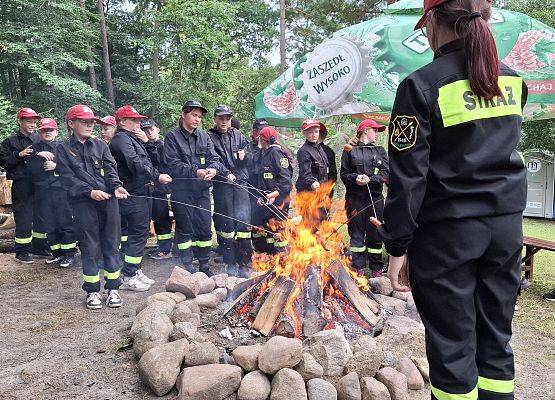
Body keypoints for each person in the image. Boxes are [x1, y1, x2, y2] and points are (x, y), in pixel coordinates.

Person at [373, 0, 529, 398]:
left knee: (452, 349)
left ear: (437, 25)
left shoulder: (420, 86)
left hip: (448, 238)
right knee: (495, 342)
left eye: (426, 27)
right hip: (506, 232)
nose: (425, 34)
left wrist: (397, 246)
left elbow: (408, 179)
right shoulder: (513, 82)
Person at [56, 105, 130, 309]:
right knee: (89, 247)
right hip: (83, 205)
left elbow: (110, 168)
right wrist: (89, 192)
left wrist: (116, 186)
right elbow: (67, 179)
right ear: (71, 124)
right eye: (84, 122)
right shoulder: (63, 149)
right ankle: (92, 291)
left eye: (91, 122)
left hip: (109, 203)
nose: (90, 125)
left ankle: (113, 289)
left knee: (112, 244)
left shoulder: (100, 145)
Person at [109, 106, 172, 291]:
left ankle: (134, 269)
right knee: (137, 235)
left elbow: (151, 160)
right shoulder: (121, 140)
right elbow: (136, 164)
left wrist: (147, 143)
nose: (138, 123)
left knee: (141, 234)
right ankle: (128, 275)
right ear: (122, 122)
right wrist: (157, 176)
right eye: (133, 120)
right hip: (133, 195)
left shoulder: (133, 139)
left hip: (143, 192)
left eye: (138, 120)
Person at [164, 100, 225, 275]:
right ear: (184, 114)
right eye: (194, 115)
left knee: (204, 228)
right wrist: (195, 171)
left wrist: (214, 169)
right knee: (185, 229)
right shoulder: (172, 137)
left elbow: (214, 158)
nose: (197, 119)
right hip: (181, 191)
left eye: (199, 116)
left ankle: (204, 264)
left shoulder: (204, 137)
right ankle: (187, 264)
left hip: (202, 191)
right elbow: (172, 165)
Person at [340, 119, 388, 278]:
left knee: (375, 234)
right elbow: (344, 174)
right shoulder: (349, 150)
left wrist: (370, 179)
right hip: (355, 200)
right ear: (366, 130)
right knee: (356, 234)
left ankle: (376, 268)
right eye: (375, 130)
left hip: (375, 199)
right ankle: (358, 268)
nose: (377, 133)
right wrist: (356, 178)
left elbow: (385, 173)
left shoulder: (380, 151)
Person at [208, 105, 252, 277]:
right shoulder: (209, 137)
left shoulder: (238, 135)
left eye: (227, 118)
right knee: (226, 225)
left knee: (243, 223)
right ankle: (230, 263)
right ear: (215, 119)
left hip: (241, 184)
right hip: (222, 185)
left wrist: (245, 155)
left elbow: (250, 155)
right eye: (221, 118)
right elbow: (213, 160)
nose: (224, 121)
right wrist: (226, 174)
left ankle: (244, 263)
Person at [28, 118, 77, 267]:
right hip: (42, 192)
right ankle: (57, 253)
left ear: (56, 132)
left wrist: (57, 166)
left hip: (61, 191)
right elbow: (28, 169)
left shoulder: (64, 147)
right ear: (40, 132)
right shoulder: (34, 148)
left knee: (65, 222)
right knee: (49, 224)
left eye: (50, 130)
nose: (47, 132)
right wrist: (37, 154)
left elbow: (75, 168)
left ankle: (69, 254)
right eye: (44, 130)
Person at [0, 108, 42, 263]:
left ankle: (39, 247)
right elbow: (3, 161)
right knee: (23, 217)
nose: (32, 125)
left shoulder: (38, 139)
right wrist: (19, 155)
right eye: (29, 121)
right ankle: (21, 252)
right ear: (20, 122)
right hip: (21, 184)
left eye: (34, 122)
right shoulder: (10, 141)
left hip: (38, 183)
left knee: (40, 215)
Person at [255, 126, 292, 253]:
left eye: (260, 139)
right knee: (270, 231)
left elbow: (286, 180)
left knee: (279, 231)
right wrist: (262, 197)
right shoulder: (265, 153)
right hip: (268, 200)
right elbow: (264, 180)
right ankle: (272, 259)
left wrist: (274, 194)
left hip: (279, 201)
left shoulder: (276, 153)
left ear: (264, 140)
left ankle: (284, 259)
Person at [141, 119, 174, 260]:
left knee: (162, 219)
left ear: (158, 129)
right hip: (150, 188)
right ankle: (161, 245)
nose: (149, 133)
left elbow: (161, 162)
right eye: (146, 131)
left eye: (151, 129)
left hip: (162, 189)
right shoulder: (143, 146)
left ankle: (165, 249)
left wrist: (148, 145)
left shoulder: (164, 145)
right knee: (155, 219)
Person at [248, 119, 269, 253]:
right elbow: (249, 167)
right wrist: (260, 151)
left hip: (269, 192)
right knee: (256, 221)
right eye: (259, 131)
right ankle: (258, 249)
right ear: (254, 132)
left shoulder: (273, 148)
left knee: (269, 221)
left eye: (264, 131)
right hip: (253, 190)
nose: (261, 134)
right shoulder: (248, 147)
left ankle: (270, 251)